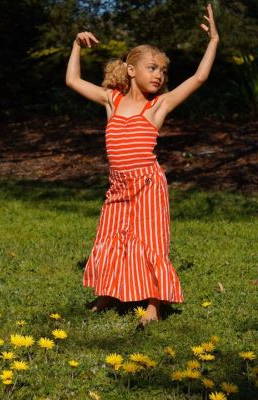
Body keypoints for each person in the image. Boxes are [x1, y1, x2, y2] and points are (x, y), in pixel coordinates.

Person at [66, 4, 219, 326]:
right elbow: (73, 80)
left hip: (148, 185)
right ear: (131, 70)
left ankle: (154, 306)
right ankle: (106, 295)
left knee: (151, 242)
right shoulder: (113, 100)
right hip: (119, 185)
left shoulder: (158, 106)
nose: (159, 75)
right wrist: (76, 46)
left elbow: (201, 77)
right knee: (110, 238)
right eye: (152, 68)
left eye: (163, 70)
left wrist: (214, 41)